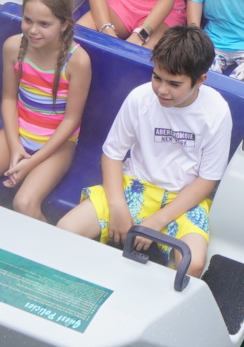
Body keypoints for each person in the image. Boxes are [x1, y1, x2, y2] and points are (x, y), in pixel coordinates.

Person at [58, 25, 231, 278]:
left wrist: (157, 220)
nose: (162, 89)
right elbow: (113, 154)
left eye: (174, 84)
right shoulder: (140, 98)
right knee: (66, 228)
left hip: (181, 197)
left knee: (191, 263)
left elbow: (208, 180)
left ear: (200, 80)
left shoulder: (216, 111)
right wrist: (117, 205)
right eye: (157, 77)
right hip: (134, 185)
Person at [0, 0, 92, 219]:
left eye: (44, 24)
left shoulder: (77, 61)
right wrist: (15, 144)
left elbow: (71, 120)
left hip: (58, 144)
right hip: (19, 131)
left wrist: (32, 161)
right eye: (28, 20)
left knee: (24, 203)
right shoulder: (13, 47)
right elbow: (8, 99)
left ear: (64, 24)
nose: (33, 30)